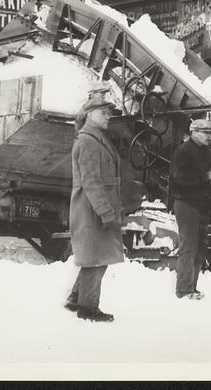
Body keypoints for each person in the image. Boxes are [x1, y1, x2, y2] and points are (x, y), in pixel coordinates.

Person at [65, 100, 123, 322]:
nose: (108, 116)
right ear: (89, 115)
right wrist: (106, 212)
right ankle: (88, 308)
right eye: (103, 113)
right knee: (96, 258)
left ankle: (76, 297)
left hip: (92, 206)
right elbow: (91, 181)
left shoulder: (94, 138)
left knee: (95, 255)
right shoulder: (89, 142)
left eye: (109, 113)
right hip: (93, 208)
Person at [169, 118, 211, 300]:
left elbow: (210, 173)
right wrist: (205, 176)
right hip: (186, 203)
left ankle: (192, 287)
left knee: (200, 247)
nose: (210, 137)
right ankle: (183, 290)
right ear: (194, 132)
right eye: (206, 133)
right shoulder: (183, 151)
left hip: (202, 204)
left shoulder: (206, 151)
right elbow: (180, 177)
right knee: (188, 246)